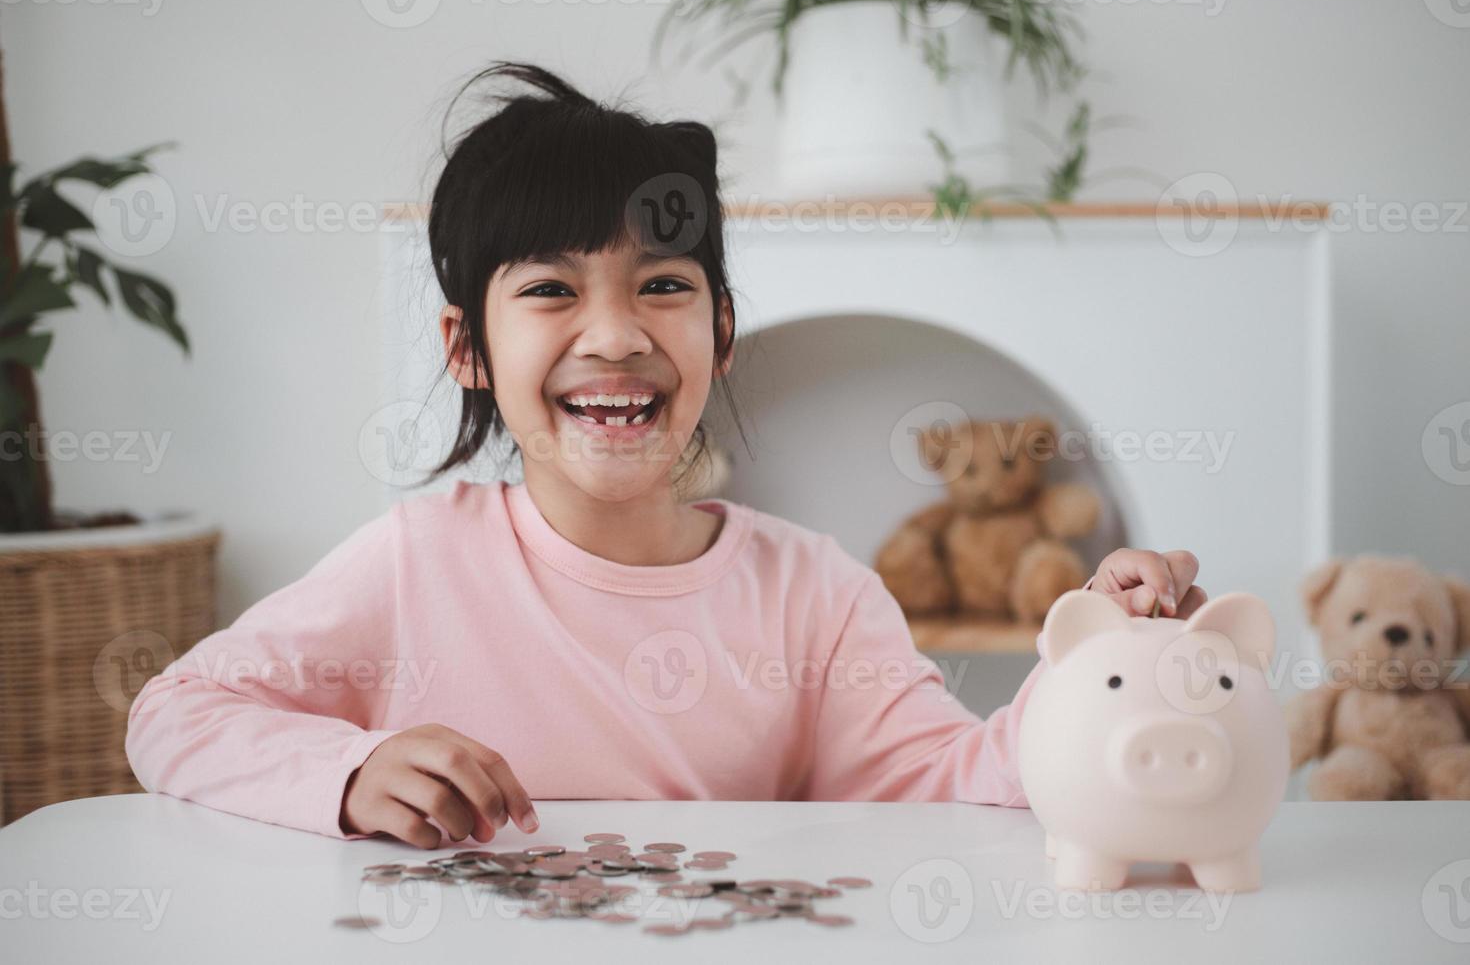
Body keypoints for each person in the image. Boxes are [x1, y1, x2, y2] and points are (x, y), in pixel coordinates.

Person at [126, 62, 1206, 849]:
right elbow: (173, 715)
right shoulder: (410, 561)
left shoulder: (817, 594)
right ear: (467, 346)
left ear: (721, 332)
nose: (614, 333)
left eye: (663, 286)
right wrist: (350, 769)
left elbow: (953, 777)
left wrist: (1100, 672)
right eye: (550, 289)